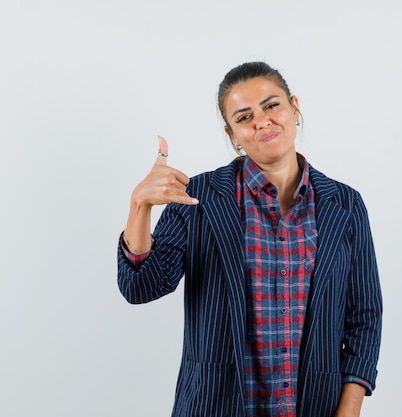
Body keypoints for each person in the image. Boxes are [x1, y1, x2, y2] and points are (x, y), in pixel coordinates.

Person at [117, 61, 382, 417]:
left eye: (271, 105)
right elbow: (140, 287)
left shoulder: (345, 204)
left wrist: (348, 411)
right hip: (214, 405)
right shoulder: (198, 197)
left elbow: (364, 317)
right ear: (232, 134)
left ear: (294, 108)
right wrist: (140, 206)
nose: (261, 121)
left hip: (316, 406)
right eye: (244, 117)